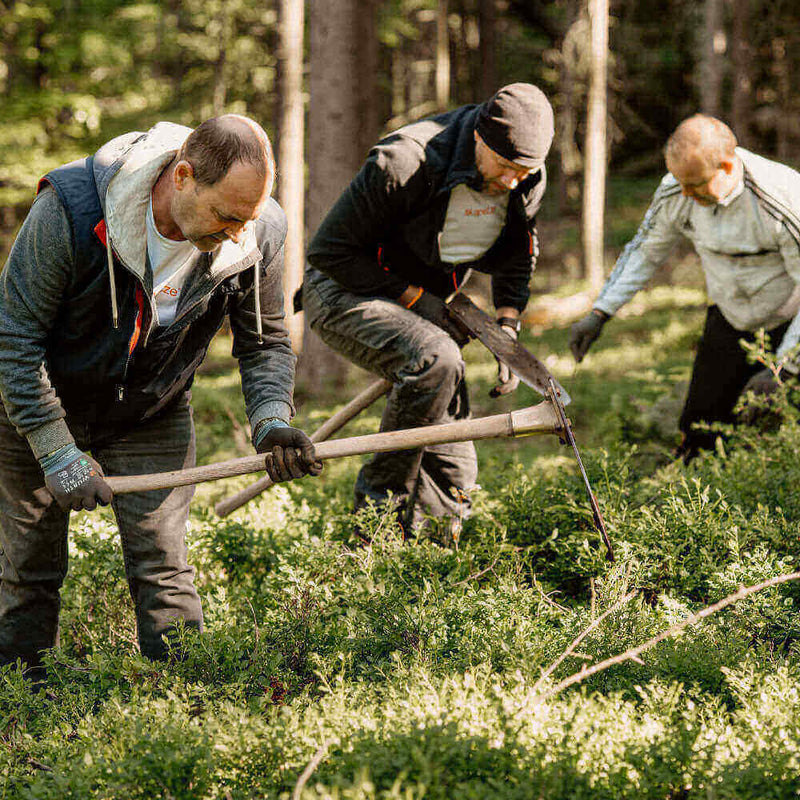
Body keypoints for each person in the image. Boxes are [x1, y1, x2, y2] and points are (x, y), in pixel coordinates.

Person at [0, 115, 322, 671]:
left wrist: (271, 421)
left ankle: (187, 704)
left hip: (152, 412)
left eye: (247, 218)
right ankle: (21, 705)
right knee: (28, 566)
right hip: (36, 403)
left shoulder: (259, 229)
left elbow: (265, 342)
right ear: (182, 176)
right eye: (226, 215)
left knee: (164, 566)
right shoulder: (72, 211)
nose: (238, 233)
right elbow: (13, 339)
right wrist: (56, 450)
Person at [301, 83, 555, 535]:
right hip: (341, 289)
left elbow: (518, 253)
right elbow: (329, 253)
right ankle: (374, 528)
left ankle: (436, 553)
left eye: (525, 172)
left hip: (423, 299)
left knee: (454, 467)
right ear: (480, 137)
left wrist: (507, 331)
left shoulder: (527, 178)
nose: (513, 181)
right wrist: (421, 302)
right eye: (506, 167)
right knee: (436, 357)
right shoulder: (405, 162)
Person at [570, 114, 800, 460]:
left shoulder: (782, 197)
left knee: (778, 436)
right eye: (680, 183)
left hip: (790, 322)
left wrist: (784, 368)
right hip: (730, 319)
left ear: (726, 165)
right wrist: (601, 312)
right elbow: (644, 253)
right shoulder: (676, 190)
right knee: (697, 432)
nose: (686, 194)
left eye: (695, 185)